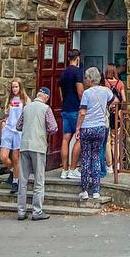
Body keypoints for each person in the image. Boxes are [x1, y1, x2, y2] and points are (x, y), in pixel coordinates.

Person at [15, 86, 57, 222]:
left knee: (23, 180)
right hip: (38, 146)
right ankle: (37, 211)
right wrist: (43, 132)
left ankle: (21, 211)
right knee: (39, 180)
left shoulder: (27, 107)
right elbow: (53, 127)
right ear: (46, 97)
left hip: (24, 145)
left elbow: (18, 126)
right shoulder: (46, 109)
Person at [74, 67, 114, 203]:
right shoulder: (105, 91)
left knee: (86, 158)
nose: (85, 81)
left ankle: (84, 190)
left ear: (90, 80)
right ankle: (96, 190)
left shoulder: (87, 93)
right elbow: (115, 100)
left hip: (87, 127)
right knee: (97, 157)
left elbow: (82, 112)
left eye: (85, 78)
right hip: (100, 127)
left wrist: (78, 128)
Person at [59, 49, 84, 180]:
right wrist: (84, 105)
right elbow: (80, 92)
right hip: (76, 108)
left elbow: (61, 94)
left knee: (65, 138)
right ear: (78, 58)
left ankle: (64, 169)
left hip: (65, 109)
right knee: (80, 137)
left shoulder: (63, 73)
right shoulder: (77, 72)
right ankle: (73, 168)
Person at [0, 79, 28, 194]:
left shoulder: (25, 100)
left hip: (19, 131)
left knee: (16, 158)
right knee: (3, 157)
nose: (14, 89)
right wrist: (4, 122)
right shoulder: (9, 100)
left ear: (20, 87)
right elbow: (6, 114)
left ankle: (16, 181)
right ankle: (13, 171)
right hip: (8, 129)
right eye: (13, 87)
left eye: (16, 87)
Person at [103, 64, 126, 173]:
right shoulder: (120, 83)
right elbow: (124, 99)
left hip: (107, 114)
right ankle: (117, 164)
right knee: (116, 140)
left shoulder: (104, 84)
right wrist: (121, 110)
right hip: (117, 114)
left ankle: (109, 165)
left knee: (107, 141)